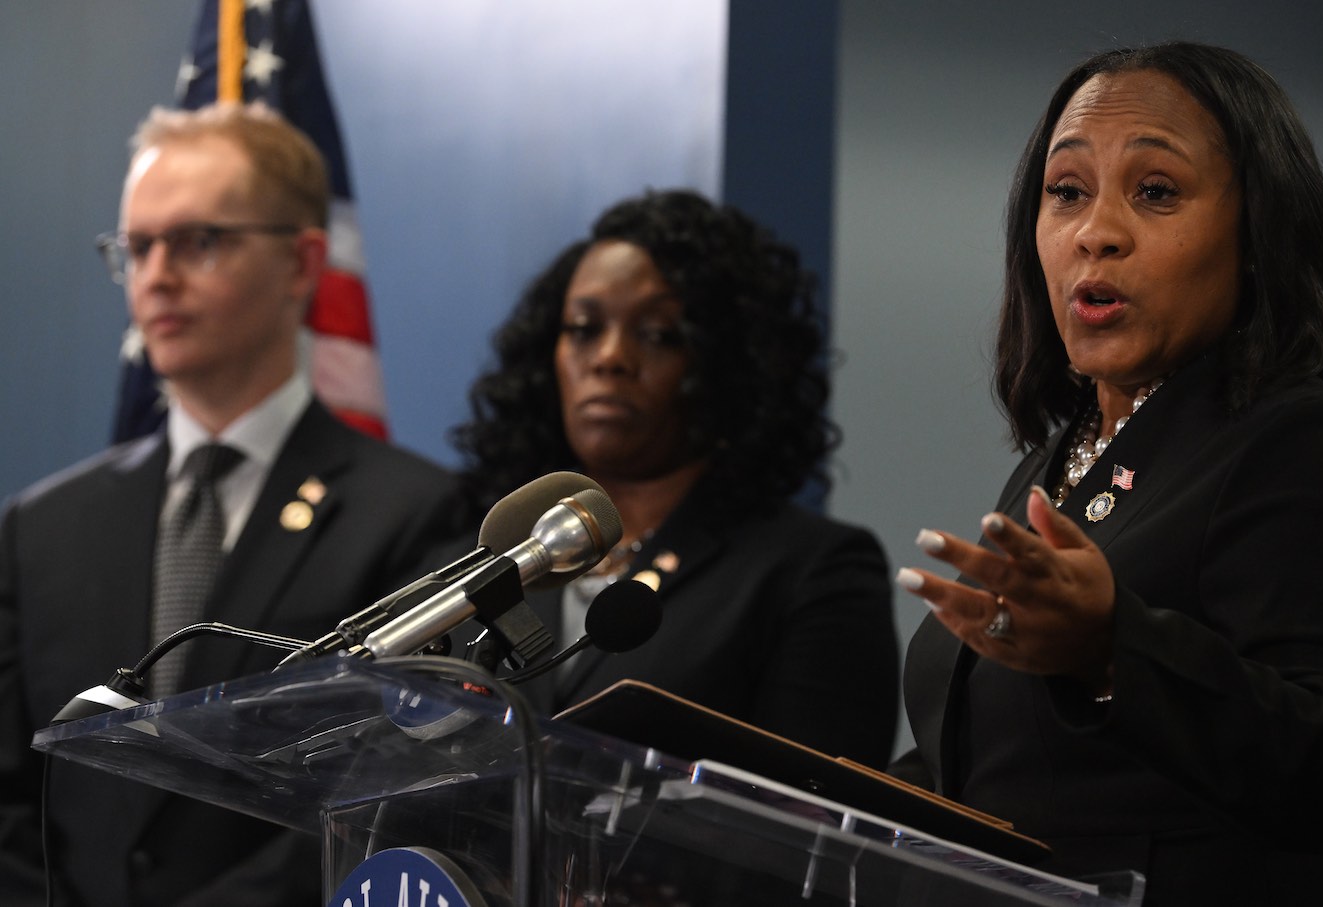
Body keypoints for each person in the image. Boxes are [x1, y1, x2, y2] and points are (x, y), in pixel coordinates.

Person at [891, 42, 1323, 906]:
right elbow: (1017, 776)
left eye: (1155, 192)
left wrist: (1113, 651)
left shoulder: (1308, 447)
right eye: (1066, 192)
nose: (1095, 231)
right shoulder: (1059, 462)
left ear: (1258, 235)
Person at [0, 103, 473, 906]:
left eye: (198, 241)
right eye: (137, 247)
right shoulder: (40, 527)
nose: (156, 275)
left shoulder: (413, 516)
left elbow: (397, 789)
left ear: (302, 262)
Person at [452, 189, 899, 768]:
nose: (610, 357)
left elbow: (812, 823)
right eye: (584, 328)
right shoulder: (476, 566)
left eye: (659, 334)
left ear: (728, 363)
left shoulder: (812, 573)